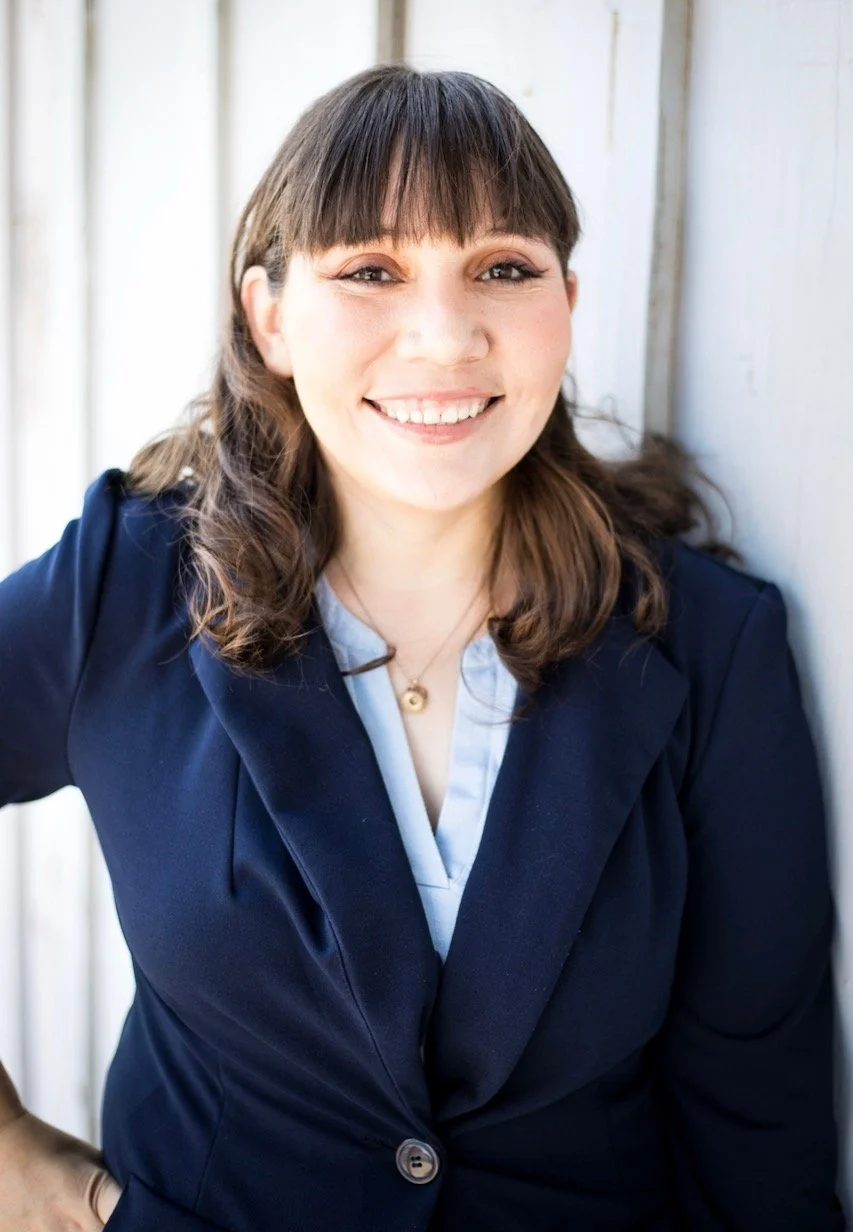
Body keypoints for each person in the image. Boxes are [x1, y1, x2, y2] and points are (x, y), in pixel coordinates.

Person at [0, 63, 844, 1231]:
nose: (446, 336)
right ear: (271, 317)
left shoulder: (706, 642)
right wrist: (10, 1154)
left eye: (502, 267)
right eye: (370, 271)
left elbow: (760, 1124)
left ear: (566, 300)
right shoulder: (127, 588)